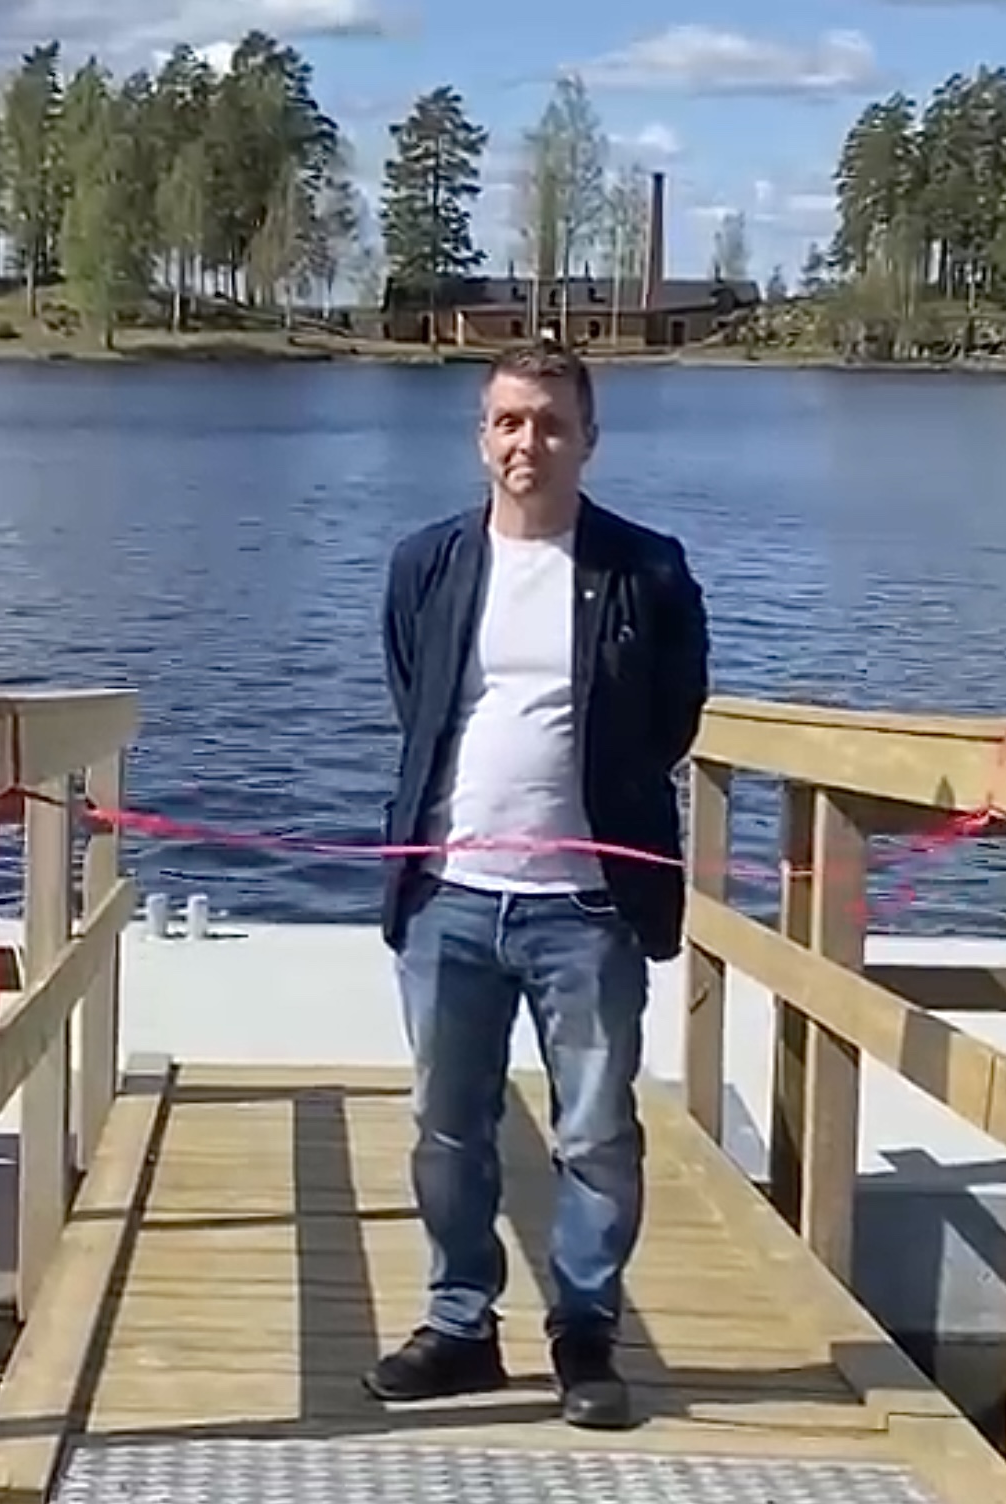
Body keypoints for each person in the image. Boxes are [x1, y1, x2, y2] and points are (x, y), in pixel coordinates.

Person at [364, 339, 709, 1430]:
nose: (530, 442)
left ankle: (585, 1334)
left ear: (588, 439)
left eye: (552, 423)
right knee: (446, 1125)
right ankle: (460, 1325)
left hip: (589, 908)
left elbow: (674, 717)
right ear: (482, 436)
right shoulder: (426, 562)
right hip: (451, 899)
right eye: (510, 421)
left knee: (597, 1132)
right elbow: (417, 701)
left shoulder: (648, 570)